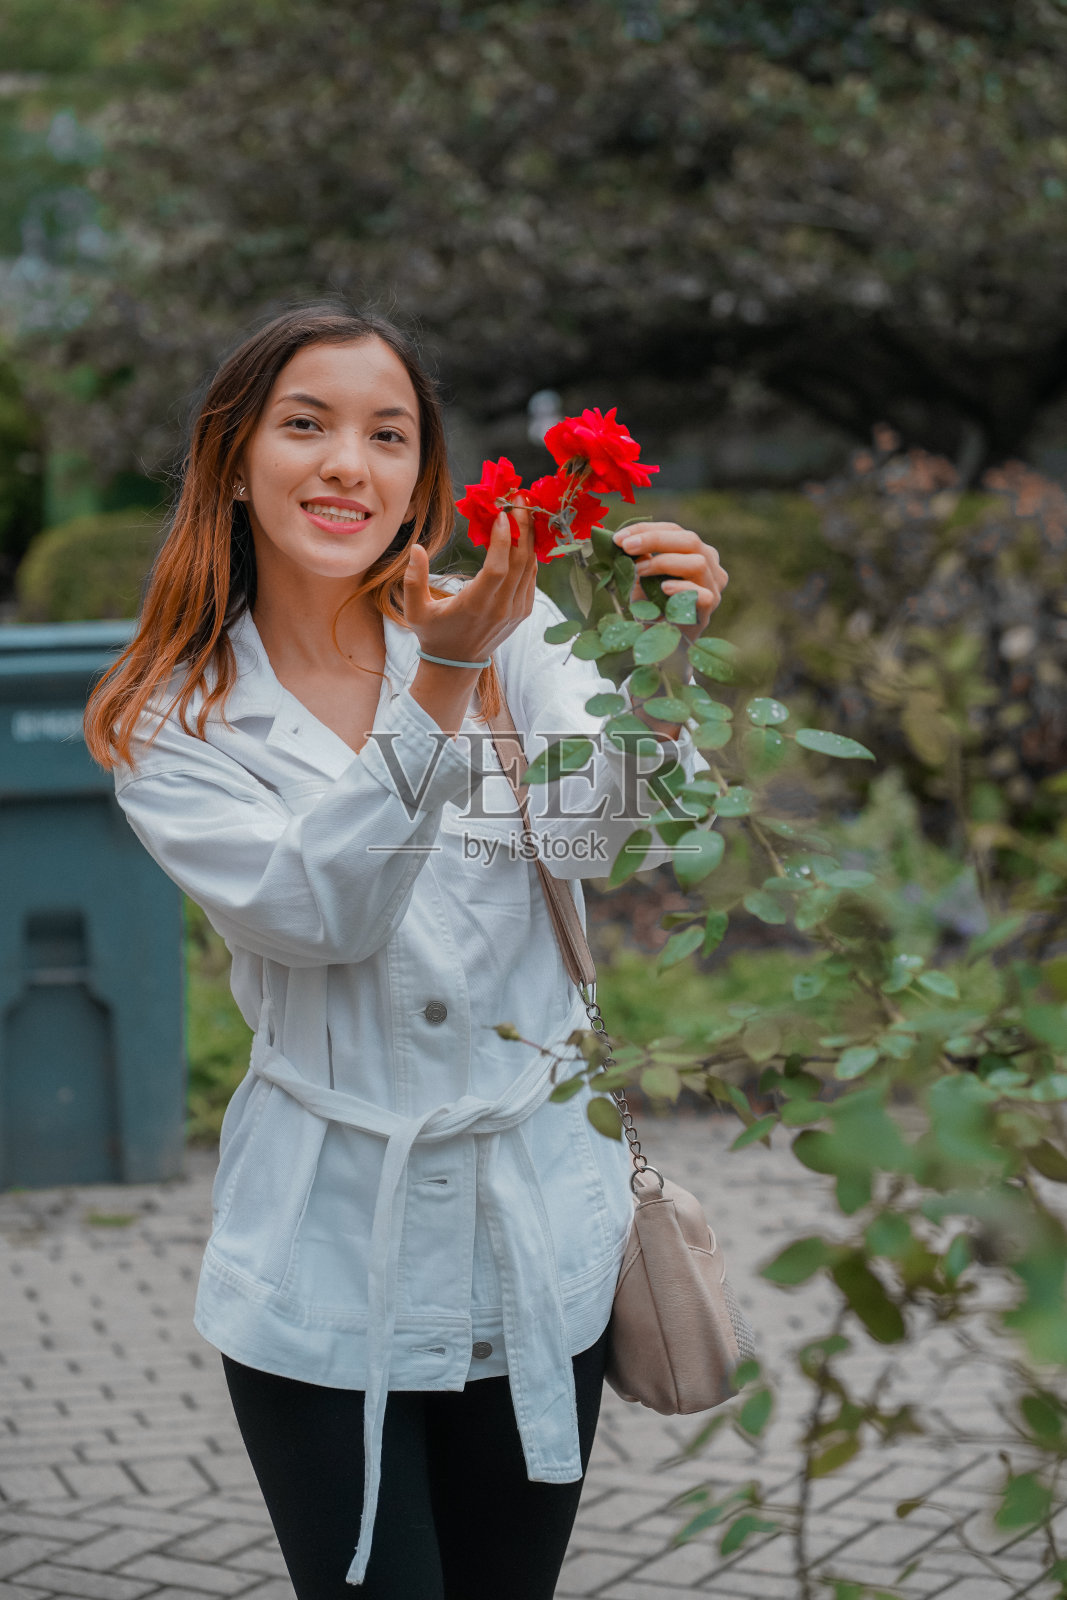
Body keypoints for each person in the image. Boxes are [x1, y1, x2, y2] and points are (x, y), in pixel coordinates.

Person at [84, 304, 728, 1599]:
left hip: (535, 1231)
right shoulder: (176, 715)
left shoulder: (517, 633)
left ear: (421, 472)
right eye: (306, 425)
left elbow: (604, 840)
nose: (349, 464)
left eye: (388, 434)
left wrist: (659, 673)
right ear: (232, 459)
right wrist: (441, 677)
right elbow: (319, 914)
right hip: (332, 1249)